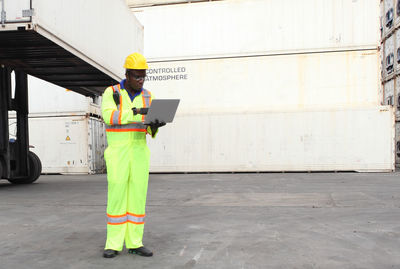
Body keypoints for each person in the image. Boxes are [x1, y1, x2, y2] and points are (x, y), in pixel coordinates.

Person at [101, 52, 165, 258]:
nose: (141, 79)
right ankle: (113, 244)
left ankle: (135, 242)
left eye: (143, 76)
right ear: (127, 74)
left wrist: (155, 125)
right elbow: (109, 116)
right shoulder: (111, 92)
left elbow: (148, 130)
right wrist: (136, 112)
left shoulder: (149, 96)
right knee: (117, 197)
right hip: (118, 153)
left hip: (139, 152)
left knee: (138, 198)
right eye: (137, 75)